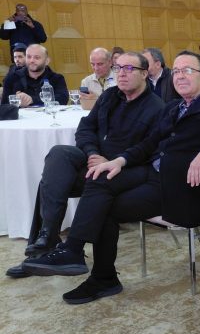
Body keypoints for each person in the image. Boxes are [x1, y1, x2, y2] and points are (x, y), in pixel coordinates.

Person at [22, 51, 200, 304]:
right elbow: (149, 144)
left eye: (188, 71)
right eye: (176, 71)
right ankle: (82, 259)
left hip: (184, 189)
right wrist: (119, 161)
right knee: (102, 180)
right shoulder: (173, 108)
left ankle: (94, 270)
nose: (180, 76)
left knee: (105, 203)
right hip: (156, 177)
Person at [6, 52, 165, 278]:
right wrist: (92, 153)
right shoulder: (110, 96)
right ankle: (47, 239)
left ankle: (51, 251)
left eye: (129, 69)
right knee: (59, 156)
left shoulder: (156, 107)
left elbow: (148, 149)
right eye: (118, 68)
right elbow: (86, 128)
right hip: (95, 160)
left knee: (51, 184)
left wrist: (112, 161)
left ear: (144, 74)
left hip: (125, 169)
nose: (122, 73)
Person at [1, 44, 68, 106]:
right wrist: (16, 100)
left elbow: (63, 99)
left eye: (37, 57)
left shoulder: (57, 78)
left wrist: (32, 100)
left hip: (49, 114)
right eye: (29, 57)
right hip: (21, 115)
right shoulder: (12, 78)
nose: (32, 60)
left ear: (47, 61)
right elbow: (4, 105)